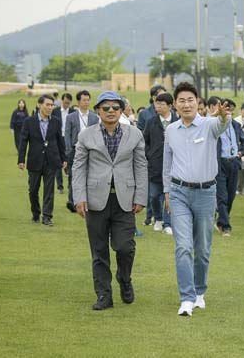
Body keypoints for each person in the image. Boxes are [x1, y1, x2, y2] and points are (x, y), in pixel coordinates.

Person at [72, 91, 147, 311]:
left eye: (115, 107)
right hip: (95, 200)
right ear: (98, 111)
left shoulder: (135, 134)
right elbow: (79, 168)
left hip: (125, 199)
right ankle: (104, 295)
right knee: (99, 251)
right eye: (106, 108)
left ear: (122, 110)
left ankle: (125, 278)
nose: (111, 111)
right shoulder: (86, 136)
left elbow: (141, 166)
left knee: (125, 247)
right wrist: (80, 197)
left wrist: (140, 196)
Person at [163, 82, 230, 317]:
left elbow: (223, 123)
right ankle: (187, 298)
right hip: (179, 192)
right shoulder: (171, 130)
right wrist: (167, 193)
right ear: (175, 105)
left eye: (190, 99)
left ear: (197, 102)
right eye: (181, 100)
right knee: (183, 246)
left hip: (205, 194)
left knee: (202, 249)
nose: (186, 104)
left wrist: (223, 116)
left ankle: (200, 292)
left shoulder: (209, 125)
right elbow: (166, 164)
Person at [17, 94, 67, 226]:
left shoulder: (56, 121)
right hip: (35, 160)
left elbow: (60, 140)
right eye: (47, 105)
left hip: (52, 160)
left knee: (49, 190)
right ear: (40, 105)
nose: (50, 107)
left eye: (52, 105)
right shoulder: (29, 121)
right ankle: (35, 213)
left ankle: (47, 217)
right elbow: (23, 141)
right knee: (33, 190)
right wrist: (21, 159)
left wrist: (64, 158)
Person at [143, 92, 178, 235]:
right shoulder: (151, 122)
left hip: (173, 166)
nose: (158, 106)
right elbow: (145, 142)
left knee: (169, 195)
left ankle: (167, 222)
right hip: (155, 166)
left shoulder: (177, 121)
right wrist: (149, 155)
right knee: (154, 195)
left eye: (162, 104)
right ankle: (157, 218)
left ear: (170, 106)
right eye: (157, 103)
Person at [211, 97, 244, 236]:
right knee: (222, 196)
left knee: (231, 195)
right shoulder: (216, 124)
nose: (229, 112)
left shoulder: (236, 125)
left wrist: (242, 151)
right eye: (227, 109)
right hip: (220, 163)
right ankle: (226, 226)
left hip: (234, 162)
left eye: (231, 109)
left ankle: (221, 220)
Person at [64, 90, 100, 212]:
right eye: (84, 100)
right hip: (75, 149)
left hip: (91, 150)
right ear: (78, 102)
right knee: (73, 176)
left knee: (91, 174)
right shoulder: (71, 117)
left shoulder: (95, 117)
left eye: (88, 100)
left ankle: (89, 201)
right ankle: (73, 201)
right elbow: (67, 134)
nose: (86, 102)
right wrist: (68, 151)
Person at [52, 92, 73, 194]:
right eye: (65, 102)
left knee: (69, 161)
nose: (66, 105)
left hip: (69, 139)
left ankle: (70, 185)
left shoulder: (73, 112)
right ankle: (60, 186)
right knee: (58, 162)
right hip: (58, 138)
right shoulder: (55, 111)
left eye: (68, 103)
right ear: (62, 101)